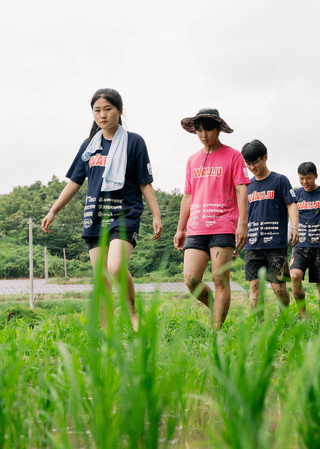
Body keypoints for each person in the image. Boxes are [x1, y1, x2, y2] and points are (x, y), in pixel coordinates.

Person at [41, 88, 162, 331]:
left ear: (120, 111)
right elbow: (75, 181)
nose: (102, 115)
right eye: (97, 110)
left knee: (115, 267)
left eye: (108, 109)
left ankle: (132, 309)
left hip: (125, 212)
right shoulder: (89, 146)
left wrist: (156, 214)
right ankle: (107, 334)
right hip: (95, 215)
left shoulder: (134, 142)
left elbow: (144, 182)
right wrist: (53, 210)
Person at [173, 108, 249, 329]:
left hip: (223, 225)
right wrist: (180, 228)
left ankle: (217, 331)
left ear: (218, 129)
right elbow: (187, 196)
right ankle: (216, 306)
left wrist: (242, 225)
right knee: (191, 279)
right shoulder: (192, 161)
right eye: (198, 130)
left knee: (219, 279)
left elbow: (241, 190)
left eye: (207, 129)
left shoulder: (233, 155)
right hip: (196, 227)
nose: (203, 134)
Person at [242, 139, 299, 308]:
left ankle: (285, 319)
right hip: (252, 244)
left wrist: (294, 227)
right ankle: (259, 328)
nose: (252, 167)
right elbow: (241, 214)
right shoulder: (246, 186)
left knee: (278, 288)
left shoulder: (280, 181)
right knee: (254, 287)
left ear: (265, 157)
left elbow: (292, 204)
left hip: (275, 244)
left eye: (256, 162)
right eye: (248, 164)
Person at [289, 162, 320, 318]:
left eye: (308, 178)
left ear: (316, 176)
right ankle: (303, 316)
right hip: (301, 245)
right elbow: (291, 217)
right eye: (302, 178)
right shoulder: (296, 195)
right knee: (295, 276)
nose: (305, 182)